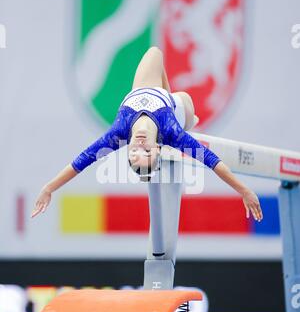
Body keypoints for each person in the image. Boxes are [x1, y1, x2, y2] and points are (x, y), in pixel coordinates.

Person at [31, 47, 263, 222]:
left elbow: (80, 162)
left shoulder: (118, 132)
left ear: (126, 146)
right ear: (158, 148)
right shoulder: (171, 133)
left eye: (134, 152)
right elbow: (214, 163)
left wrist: (49, 188)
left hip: (159, 98)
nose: (140, 145)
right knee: (186, 107)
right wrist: (244, 190)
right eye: (147, 151)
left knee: (153, 53)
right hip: (180, 113)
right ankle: (187, 117)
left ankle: (172, 99)